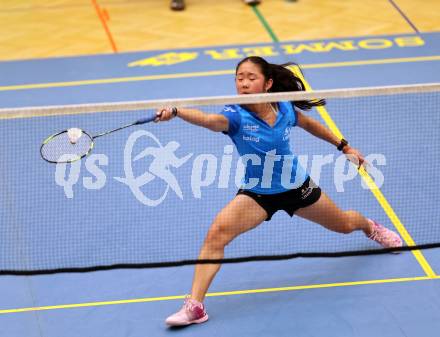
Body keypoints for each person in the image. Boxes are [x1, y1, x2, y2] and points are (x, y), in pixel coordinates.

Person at [155, 56, 403, 326]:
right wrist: (177, 111)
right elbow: (209, 120)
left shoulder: (284, 108)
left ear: (268, 83)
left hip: (297, 188)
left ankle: (370, 226)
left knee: (344, 224)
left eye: (251, 77)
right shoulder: (235, 116)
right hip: (257, 194)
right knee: (216, 235)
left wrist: (344, 146)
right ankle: (195, 307)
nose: (244, 83)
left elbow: (309, 124)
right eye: (240, 78)